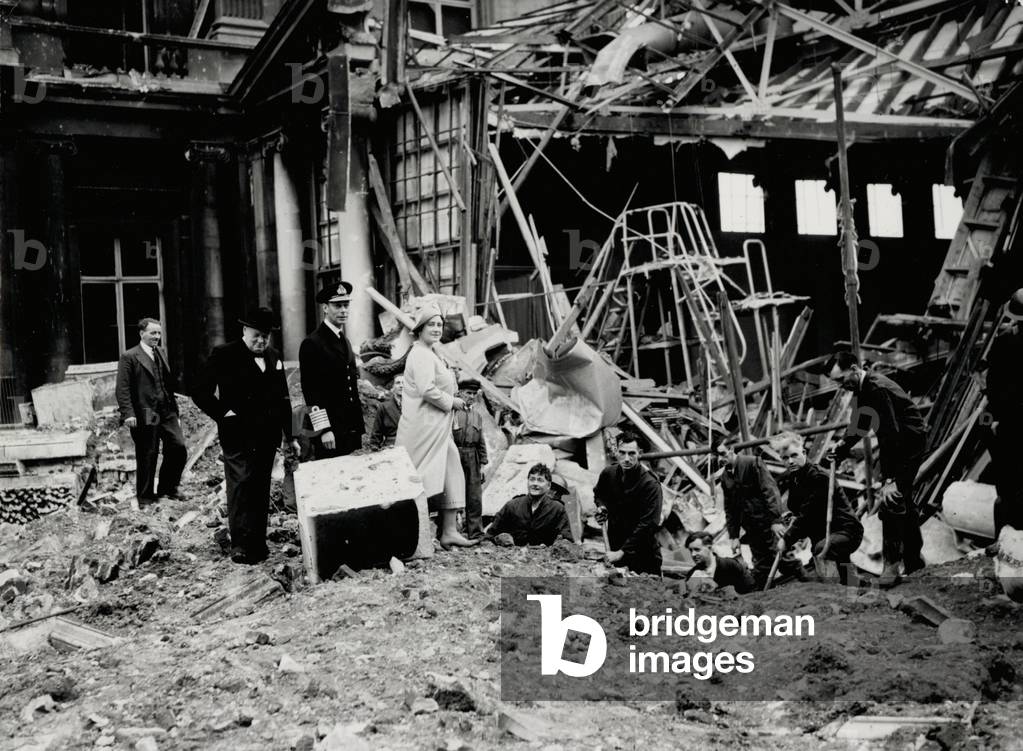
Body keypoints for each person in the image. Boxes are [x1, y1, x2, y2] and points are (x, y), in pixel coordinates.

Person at [193, 307, 299, 564]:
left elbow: (283, 399)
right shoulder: (224, 354)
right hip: (238, 436)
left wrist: (289, 435)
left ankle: (258, 543)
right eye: (256, 336)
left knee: (261, 487)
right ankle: (240, 546)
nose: (261, 341)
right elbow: (200, 390)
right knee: (241, 485)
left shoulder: (274, 356)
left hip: (266, 436)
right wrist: (223, 413)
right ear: (244, 331)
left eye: (266, 336)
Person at [829, 351, 927, 585]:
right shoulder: (861, 389)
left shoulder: (877, 389)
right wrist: (841, 447)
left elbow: (892, 435)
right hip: (899, 443)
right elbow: (860, 424)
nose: (840, 386)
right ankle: (914, 560)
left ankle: (891, 566)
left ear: (854, 368)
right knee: (904, 502)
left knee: (891, 500)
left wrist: (891, 478)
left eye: (841, 380)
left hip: (908, 444)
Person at [395, 305, 478, 549]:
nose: (436, 329)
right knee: (416, 477)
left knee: (452, 467)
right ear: (419, 329)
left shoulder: (430, 352)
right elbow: (427, 389)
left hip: (436, 427)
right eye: (430, 324)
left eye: (439, 325)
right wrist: (454, 402)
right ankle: (409, 536)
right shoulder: (420, 354)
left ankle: (449, 531)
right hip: (422, 429)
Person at [772, 431, 863, 583]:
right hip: (824, 532)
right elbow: (796, 507)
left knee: (822, 550)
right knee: (845, 573)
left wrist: (787, 539)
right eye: (785, 458)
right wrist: (792, 516)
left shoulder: (818, 477)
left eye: (794, 455)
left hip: (846, 531)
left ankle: (832, 594)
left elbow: (808, 513)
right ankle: (855, 588)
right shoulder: (794, 477)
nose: (790, 461)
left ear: (804, 452)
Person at [115, 318, 187, 505]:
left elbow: (168, 385)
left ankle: (168, 489)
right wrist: (128, 414)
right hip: (145, 413)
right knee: (148, 453)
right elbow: (122, 388)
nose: (157, 337)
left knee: (178, 447)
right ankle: (146, 497)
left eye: (159, 333)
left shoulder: (161, 352)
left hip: (167, 411)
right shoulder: (129, 356)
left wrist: (176, 413)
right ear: (142, 333)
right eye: (153, 333)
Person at [719, 443, 801, 589]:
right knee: (761, 565)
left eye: (723, 454)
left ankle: (810, 585)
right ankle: (761, 598)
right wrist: (734, 536)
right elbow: (730, 509)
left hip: (768, 524)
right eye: (717, 455)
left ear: (731, 450)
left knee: (783, 558)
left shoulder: (752, 463)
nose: (721, 458)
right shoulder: (725, 477)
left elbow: (770, 491)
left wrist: (776, 520)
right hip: (751, 529)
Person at [299, 281, 364, 459]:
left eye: (346, 305)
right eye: (337, 305)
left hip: (349, 427)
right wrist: (324, 430)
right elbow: (311, 391)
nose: (343, 310)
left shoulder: (344, 340)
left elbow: (351, 385)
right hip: (331, 431)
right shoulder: (312, 343)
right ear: (326, 308)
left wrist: (358, 426)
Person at [983, 288, 1023, 535]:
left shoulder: (1003, 340)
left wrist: (995, 419)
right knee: (1009, 494)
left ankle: (1003, 545)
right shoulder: (1005, 341)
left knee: (1006, 494)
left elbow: (992, 386)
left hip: (1007, 425)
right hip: (1010, 425)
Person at [593, 432, 662, 575]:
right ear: (615, 452)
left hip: (643, 554)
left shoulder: (650, 484)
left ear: (639, 453)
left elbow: (649, 524)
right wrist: (602, 507)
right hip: (615, 549)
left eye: (632, 454)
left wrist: (622, 552)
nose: (626, 459)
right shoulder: (608, 474)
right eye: (622, 453)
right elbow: (599, 494)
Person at [485, 463, 573, 546]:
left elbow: (566, 541)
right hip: (511, 557)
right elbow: (490, 535)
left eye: (540, 480)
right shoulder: (512, 505)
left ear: (548, 485)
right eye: (532, 479)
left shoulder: (558, 509)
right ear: (528, 482)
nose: (535, 484)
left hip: (543, 559)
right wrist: (502, 539)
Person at [453, 376, 488, 540]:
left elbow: (481, 441)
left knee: (474, 495)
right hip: (455, 454)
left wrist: (482, 464)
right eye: (468, 393)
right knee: (452, 493)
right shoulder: (451, 412)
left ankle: (475, 532)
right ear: (460, 393)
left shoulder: (477, 416)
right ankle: (450, 531)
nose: (471, 396)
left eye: (474, 394)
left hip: (472, 455)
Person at [684, 531, 755, 595]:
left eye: (697, 549)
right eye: (691, 551)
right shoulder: (693, 574)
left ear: (710, 548)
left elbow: (751, 590)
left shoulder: (730, 565)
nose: (693, 554)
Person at [369, 376, 403, 451]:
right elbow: (376, 432)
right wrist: (374, 447)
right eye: (398, 383)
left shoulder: (414, 406)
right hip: (391, 446)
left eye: (404, 383)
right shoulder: (384, 407)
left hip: (410, 445)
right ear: (393, 387)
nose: (401, 386)